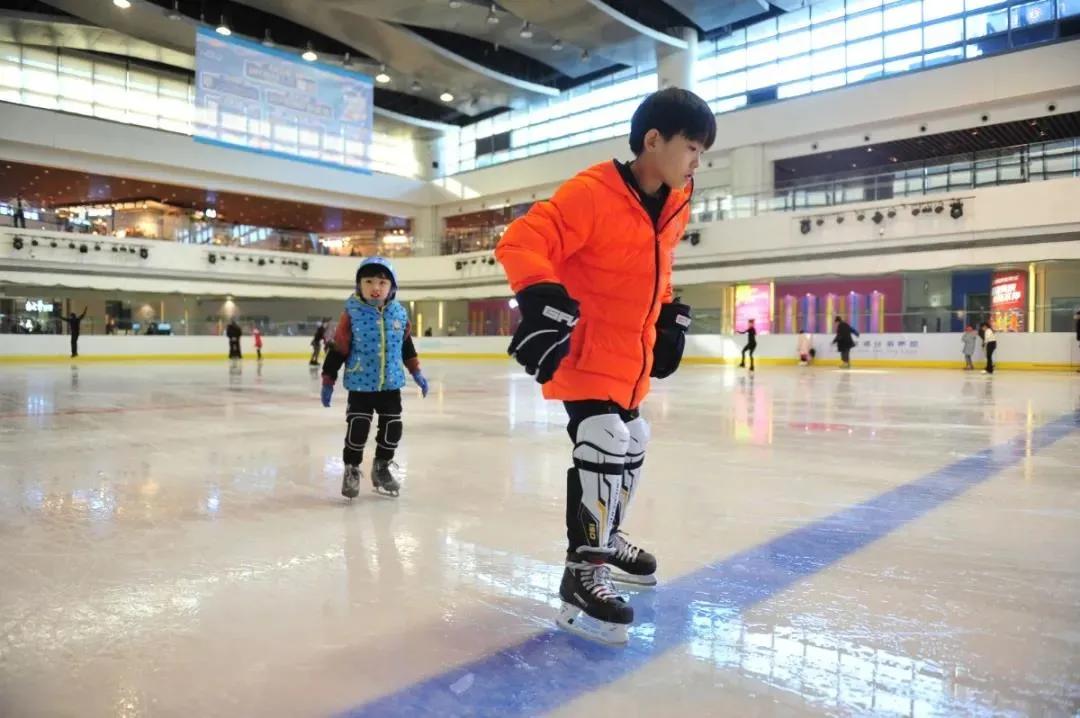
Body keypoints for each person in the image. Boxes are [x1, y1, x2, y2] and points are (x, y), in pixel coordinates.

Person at [495, 87, 715, 645]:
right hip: (584, 352)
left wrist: (666, 316)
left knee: (634, 436)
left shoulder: (675, 199)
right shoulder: (592, 193)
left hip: (630, 355)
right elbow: (522, 240)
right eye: (692, 147)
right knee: (604, 436)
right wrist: (540, 295)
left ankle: (609, 537)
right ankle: (583, 569)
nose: (696, 161)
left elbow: (656, 268)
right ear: (653, 140)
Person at [320, 257, 429, 499]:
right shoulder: (352, 313)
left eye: (382, 282)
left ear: (392, 287)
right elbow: (338, 348)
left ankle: (381, 467)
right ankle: (351, 468)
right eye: (368, 281)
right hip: (360, 384)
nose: (376, 287)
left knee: (393, 428)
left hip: (390, 384)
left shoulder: (399, 313)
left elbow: (406, 346)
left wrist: (417, 372)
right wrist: (328, 379)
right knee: (358, 427)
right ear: (359, 284)